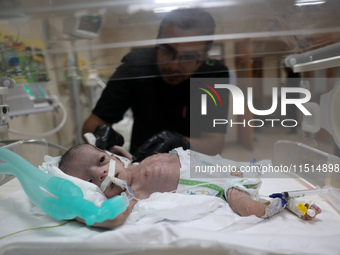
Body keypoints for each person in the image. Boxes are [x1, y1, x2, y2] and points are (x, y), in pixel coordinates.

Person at [58, 144, 321, 229]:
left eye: (101, 160)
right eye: (91, 180)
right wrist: (81, 212)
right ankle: (280, 204)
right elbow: (114, 218)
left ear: (113, 156)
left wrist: (125, 154)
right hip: (222, 185)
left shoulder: (131, 165)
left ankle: (288, 199)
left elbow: (124, 159)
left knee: (260, 168)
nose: (102, 172)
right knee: (247, 206)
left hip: (219, 165)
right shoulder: (131, 193)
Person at [82, 8, 230, 156]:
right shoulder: (136, 66)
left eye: (189, 57)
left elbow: (214, 144)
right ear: (157, 41)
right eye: (166, 51)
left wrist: (182, 143)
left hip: (194, 162)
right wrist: (100, 135)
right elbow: (91, 124)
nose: (174, 66)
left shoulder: (213, 74)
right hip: (141, 160)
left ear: (205, 54)